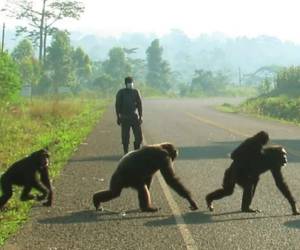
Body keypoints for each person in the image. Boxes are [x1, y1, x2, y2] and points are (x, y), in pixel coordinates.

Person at [115, 76, 143, 154]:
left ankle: (136, 152)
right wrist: (118, 117)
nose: (130, 85)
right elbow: (117, 105)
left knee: (139, 138)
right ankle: (126, 153)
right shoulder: (121, 92)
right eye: (128, 83)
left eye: (131, 83)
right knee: (125, 138)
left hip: (134, 117)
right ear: (125, 84)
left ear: (133, 83)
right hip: (125, 118)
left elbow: (139, 104)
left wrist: (141, 116)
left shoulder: (136, 92)